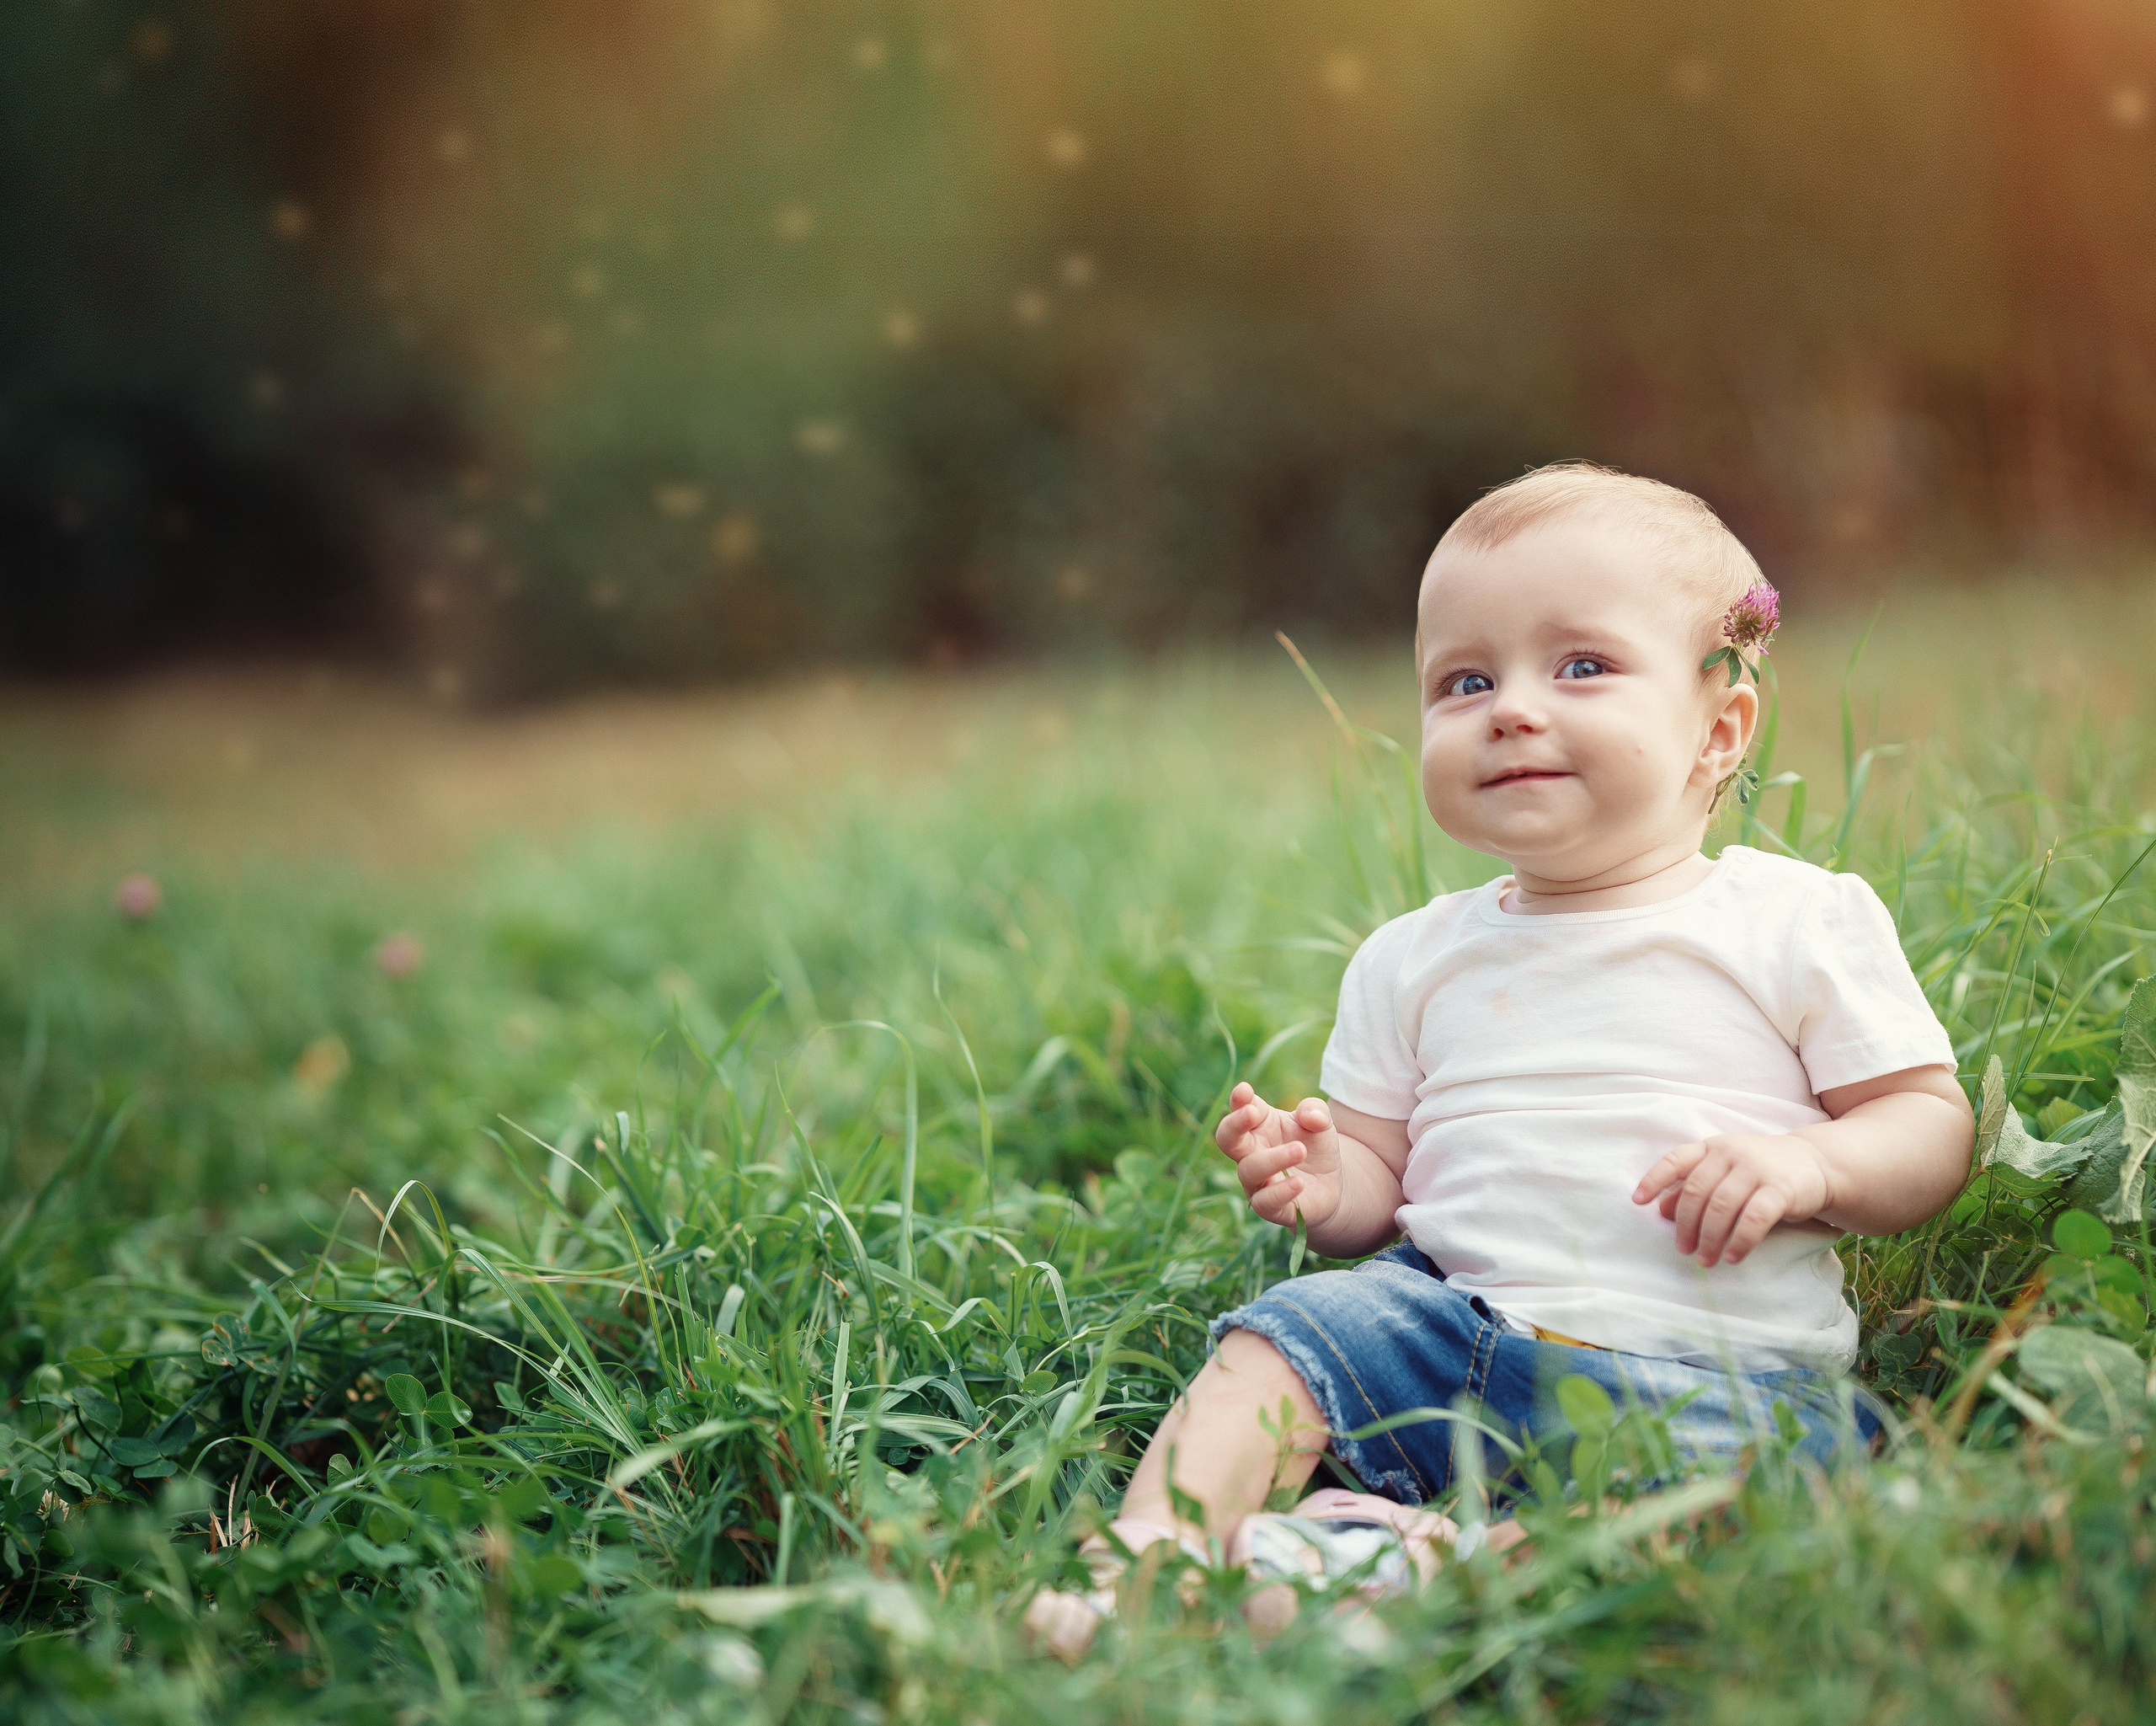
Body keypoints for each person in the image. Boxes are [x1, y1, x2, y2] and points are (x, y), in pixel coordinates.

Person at [1026, 462, 1973, 1658]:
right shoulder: (1413, 959)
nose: (1512, 708)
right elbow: (1379, 1187)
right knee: (1295, 1332)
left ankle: (1407, 1557)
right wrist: (1325, 1185)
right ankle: (1148, 1557)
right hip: (1453, 1339)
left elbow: (1927, 1124)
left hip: (1710, 1382)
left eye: (1581, 665)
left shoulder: (1794, 921)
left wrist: (1811, 1165)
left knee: (1761, 1494)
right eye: (1464, 680)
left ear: (1719, 727)